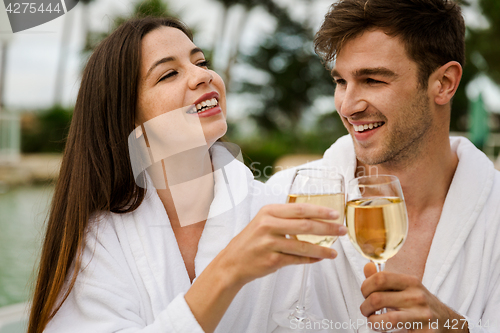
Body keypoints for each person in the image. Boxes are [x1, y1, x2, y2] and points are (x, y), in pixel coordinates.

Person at [27, 17, 347, 333]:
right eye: (169, 73)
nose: (201, 76)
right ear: (127, 116)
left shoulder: (269, 210)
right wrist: (229, 269)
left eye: (201, 61)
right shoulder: (99, 240)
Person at [267, 0, 500, 332]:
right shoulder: (282, 201)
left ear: (444, 82)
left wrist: (456, 329)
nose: (348, 106)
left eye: (373, 80)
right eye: (341, 81)